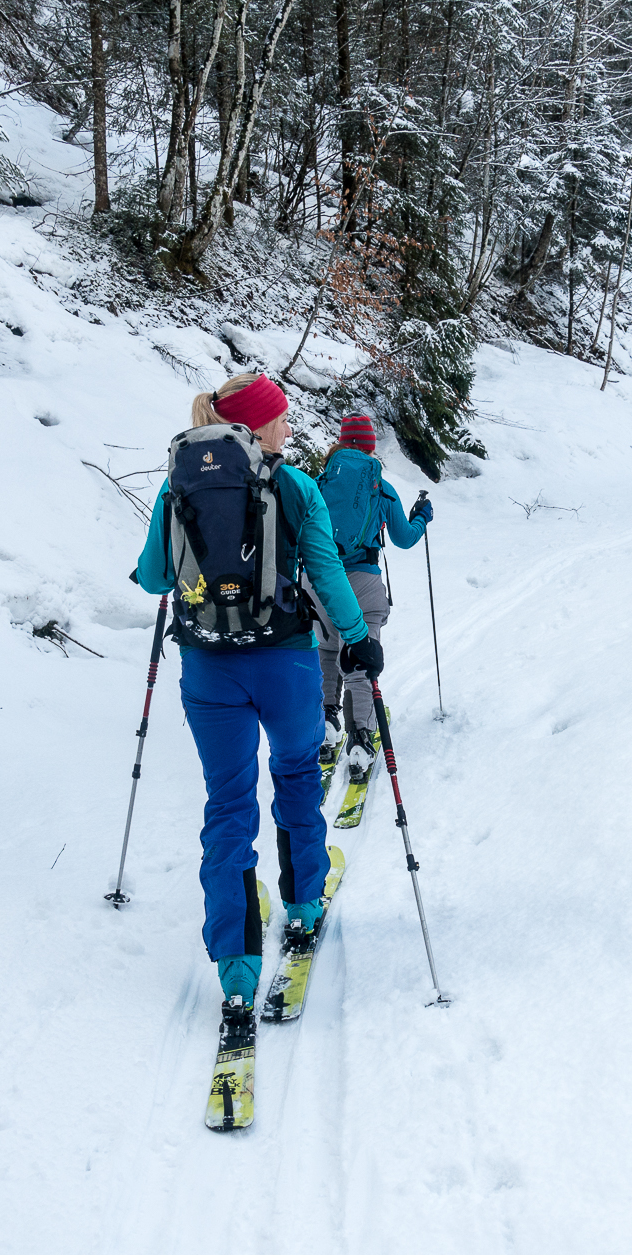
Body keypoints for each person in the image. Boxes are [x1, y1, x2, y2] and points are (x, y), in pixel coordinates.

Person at [133, 373, 384, 1017]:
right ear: (260, 426)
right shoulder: (296, 486)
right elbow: (326, 571)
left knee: (228, 803)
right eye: (283, 419)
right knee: (298, 773)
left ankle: (237, 966)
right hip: (287, 664)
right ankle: (303, 904)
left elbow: (155, 576)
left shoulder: (179, 480)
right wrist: (357, 638)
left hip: (208, 669)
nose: (291, 429)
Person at [310, 414, 432, 780]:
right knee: (360, 659)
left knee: (327, 651)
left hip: (318, 580)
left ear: (341, 442)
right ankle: (361, 740)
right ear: (370, 447)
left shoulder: (317, 483)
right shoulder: (381, 486)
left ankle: (327, 724)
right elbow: (405, 538)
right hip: (363, 581)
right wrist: (422, 517)